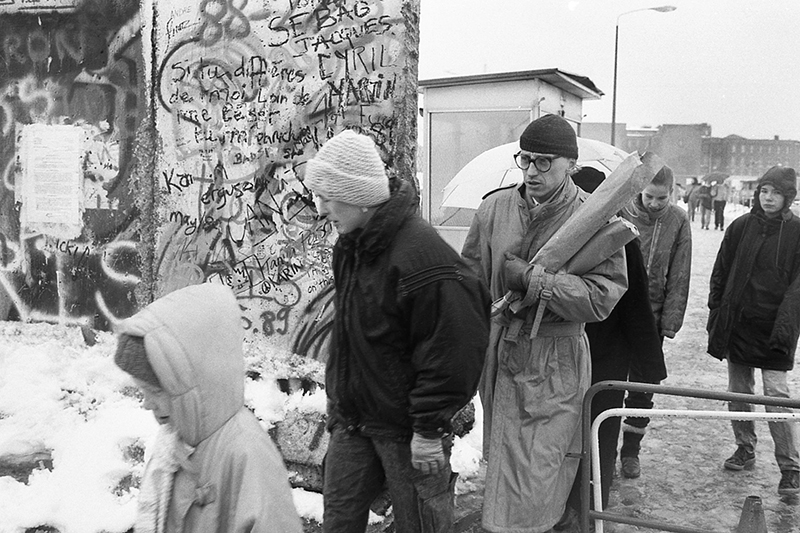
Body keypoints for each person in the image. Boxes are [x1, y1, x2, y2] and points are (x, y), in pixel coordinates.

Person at [304, 129, 490, 533]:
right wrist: (339, 405)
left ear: (356, 195)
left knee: (420, 526)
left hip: (408, 432)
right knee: (337, 524)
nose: (319, 209)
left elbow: (454, 350)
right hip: (353, 422)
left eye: (326, 197)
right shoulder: (350, 245)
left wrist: (427, 429)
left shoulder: (422, 258)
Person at [461, 114, 628, 533]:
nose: (532, 171)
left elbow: (601, 297)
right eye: (526, 160)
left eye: (544, 162)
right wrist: (482, 309)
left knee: (538, 474)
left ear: (570, 164)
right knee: (503, 465)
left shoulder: (595, 218)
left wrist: (536, 282)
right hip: (502, 354)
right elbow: (469, 280)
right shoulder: (493, 209)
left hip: (557, 361)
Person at [114, 283, 303, 533]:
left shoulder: (246, 454)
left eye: (155, 391)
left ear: (193, 384)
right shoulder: (175, 442)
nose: (146, 403)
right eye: (142, 391)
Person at [561, 169, 666, 523]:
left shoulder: (621, 240)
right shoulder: (558, 240)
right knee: (570, 434)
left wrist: (650, 366)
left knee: (599, 433)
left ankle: (591, 512)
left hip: (605, 357)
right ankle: (567, 509)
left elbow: (637, 307)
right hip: (567, 353)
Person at [707, 165, 800, 496]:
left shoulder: (797, 232)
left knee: (776, 397)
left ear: (787, 197)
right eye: (764, 191)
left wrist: (786, 329)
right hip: (740, 326)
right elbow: (721, 270)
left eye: (775, 192)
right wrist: (717, 308)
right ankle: (744, 448)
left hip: (777, 328)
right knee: (739, 391)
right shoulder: (740, 227)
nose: (768, 198)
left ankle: (790, 467)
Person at [619, 165, 692, 479]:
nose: (654, 203)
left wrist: (670, 321)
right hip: (615, 313)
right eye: (649, 196)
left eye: (662, 198)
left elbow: (680, 272)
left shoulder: (678, 220)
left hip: (652, 317)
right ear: (640, 190)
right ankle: (602, 447)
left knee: (642, 386)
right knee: (607, 384)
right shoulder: (622, 211)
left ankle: (630, 452)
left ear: (672, 193)